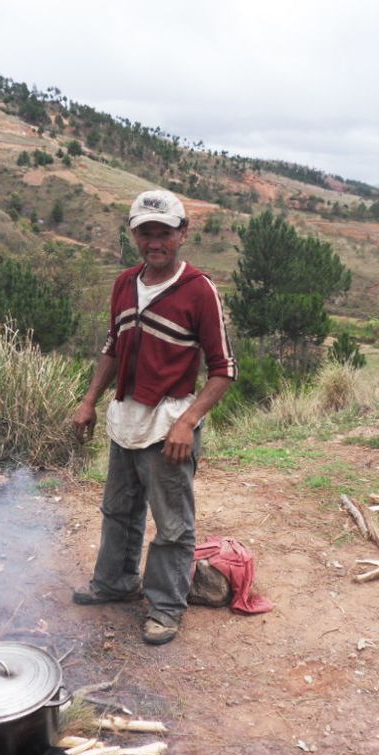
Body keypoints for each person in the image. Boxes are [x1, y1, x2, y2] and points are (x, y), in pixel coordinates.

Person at [71, 189, 237, 645]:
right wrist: (89, 400)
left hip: (168, 426)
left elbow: (225, 369)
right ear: (134, 235)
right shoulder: (125, 283)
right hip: (126, 417)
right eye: (146, 233)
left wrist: (188, 422)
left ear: (182, 234)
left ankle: (165, 607)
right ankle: (115, 583)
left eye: (164, 233)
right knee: (118, 509)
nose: (154, 242)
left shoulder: (198, 289)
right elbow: (112, 347)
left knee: (172, 524)